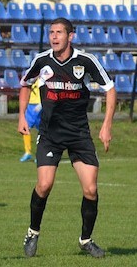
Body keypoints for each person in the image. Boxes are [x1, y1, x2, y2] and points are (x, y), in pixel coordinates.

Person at [18, 17, 116, 259]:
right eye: (51, 32)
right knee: (44, 185)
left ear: (70, 36)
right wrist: (21, 116)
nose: (54, 36)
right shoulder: (42, 61)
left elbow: (110, 89)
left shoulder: (85, 61)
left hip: (79, 133)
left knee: (91, 189)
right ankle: (33, 232)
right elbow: (24, 83)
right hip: (50, 133)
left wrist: (106, 125)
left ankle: (86, 240)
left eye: (59, 32)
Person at [19, 78, 42, 162]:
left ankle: (40, 153)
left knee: (42, 130)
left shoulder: (44, 77)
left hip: (40, 105)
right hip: (30, 105)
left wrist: (41, 104)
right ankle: (27, 152)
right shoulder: (31, 77)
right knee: (26, 128)